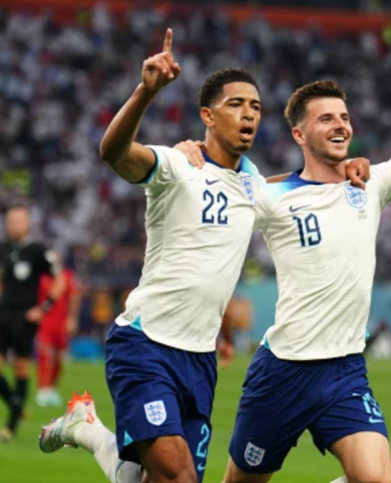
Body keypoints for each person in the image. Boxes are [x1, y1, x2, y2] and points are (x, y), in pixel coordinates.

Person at [39, 29, 368, 483]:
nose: (248, 114)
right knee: (178, 476)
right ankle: (91, 431)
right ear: (207, 117)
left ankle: (87, 428)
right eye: (236, 105)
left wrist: (342, 168)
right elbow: (113, 152)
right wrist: (145, 92)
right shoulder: (178, 166)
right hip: (145, 343)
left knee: (154, 478)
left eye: (256, 107)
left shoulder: (254, 185)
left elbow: (224, 260)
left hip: (199, 359)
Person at [220, 19, 391, 483]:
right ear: (299, 135)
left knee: (375, 479)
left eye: (345, 117)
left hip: (345, 371)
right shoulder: (271, 197)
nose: (340, 125)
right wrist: (193, 151)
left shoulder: (370, 185)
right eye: (326, 119)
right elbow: (217, 198)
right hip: (282, 372)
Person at [0, 205, 65, 441]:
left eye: (19, 221)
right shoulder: (4, 249)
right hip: (3, 313)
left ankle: (11, 426)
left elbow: (60, 280)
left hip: (26, 317)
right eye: (11, 221)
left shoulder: (38, 251)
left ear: (28, 224)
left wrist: (43, 307)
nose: (14, 225)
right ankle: (16, 406)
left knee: (20, 368)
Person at [35, 259, 82, 407]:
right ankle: (43, 389)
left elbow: (74, 296)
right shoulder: (41, 276)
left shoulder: (67, 276)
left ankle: (52, 388)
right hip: (45, 321)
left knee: (58, 357)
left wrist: (72, 318)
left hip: (61, 322)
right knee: (45, 354)